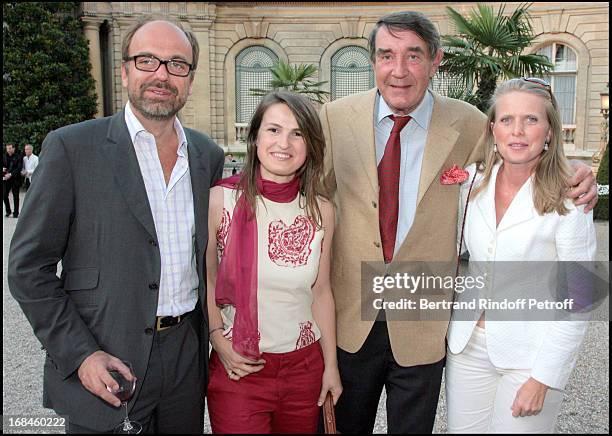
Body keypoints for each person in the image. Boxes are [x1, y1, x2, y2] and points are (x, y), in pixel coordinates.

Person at [319, 10, 598, 434]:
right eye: (386, 55)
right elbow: (307, 195)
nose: (398, 70)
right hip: (350, 314)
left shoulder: (469, 123)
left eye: (413, 56)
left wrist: (576, 170)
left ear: (436, 60)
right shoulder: (334, 119)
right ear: (372, 60)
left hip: (426, 316)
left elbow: (522, 149)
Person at [8, 18, 224, 434]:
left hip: (185, 358)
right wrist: (80, 354)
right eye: (147, 61)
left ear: (190, 80)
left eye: (177, 64)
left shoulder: (206, 155)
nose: (161, 74)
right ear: (125, 71)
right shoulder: (72, 148)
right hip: (106, 355)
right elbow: (27, 268)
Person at [445, 78, 596, 433]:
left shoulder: (570, 197)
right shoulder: (471, 182)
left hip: (531, 358)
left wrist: (543, 378)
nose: (517, 131)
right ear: (492, 128)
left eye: (531, 119)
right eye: (507, 119)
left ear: (549, 131)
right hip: (467, 348)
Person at [205, 90, 342, 433]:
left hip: (304, 370)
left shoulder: (321, 209)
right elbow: (206, 279)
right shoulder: (221, 200)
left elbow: (321, 292)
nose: (285, 142)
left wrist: (331, 367)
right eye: (274, 130)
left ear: (310, 145)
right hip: (241, 368)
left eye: (298, 133)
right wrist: (218, 340)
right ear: (254, 138)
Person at [3, 143, 23, 217]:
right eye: (8, 148)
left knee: (16, 196)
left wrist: (10, 174)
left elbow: (19, 168)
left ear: (13, 148)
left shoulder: (19, 156)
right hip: (6, 179)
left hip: (15, 179)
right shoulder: (4, 156)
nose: (9, 150)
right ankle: (8, 211)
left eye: (10, 148)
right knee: (4, 195)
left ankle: (16, 213)